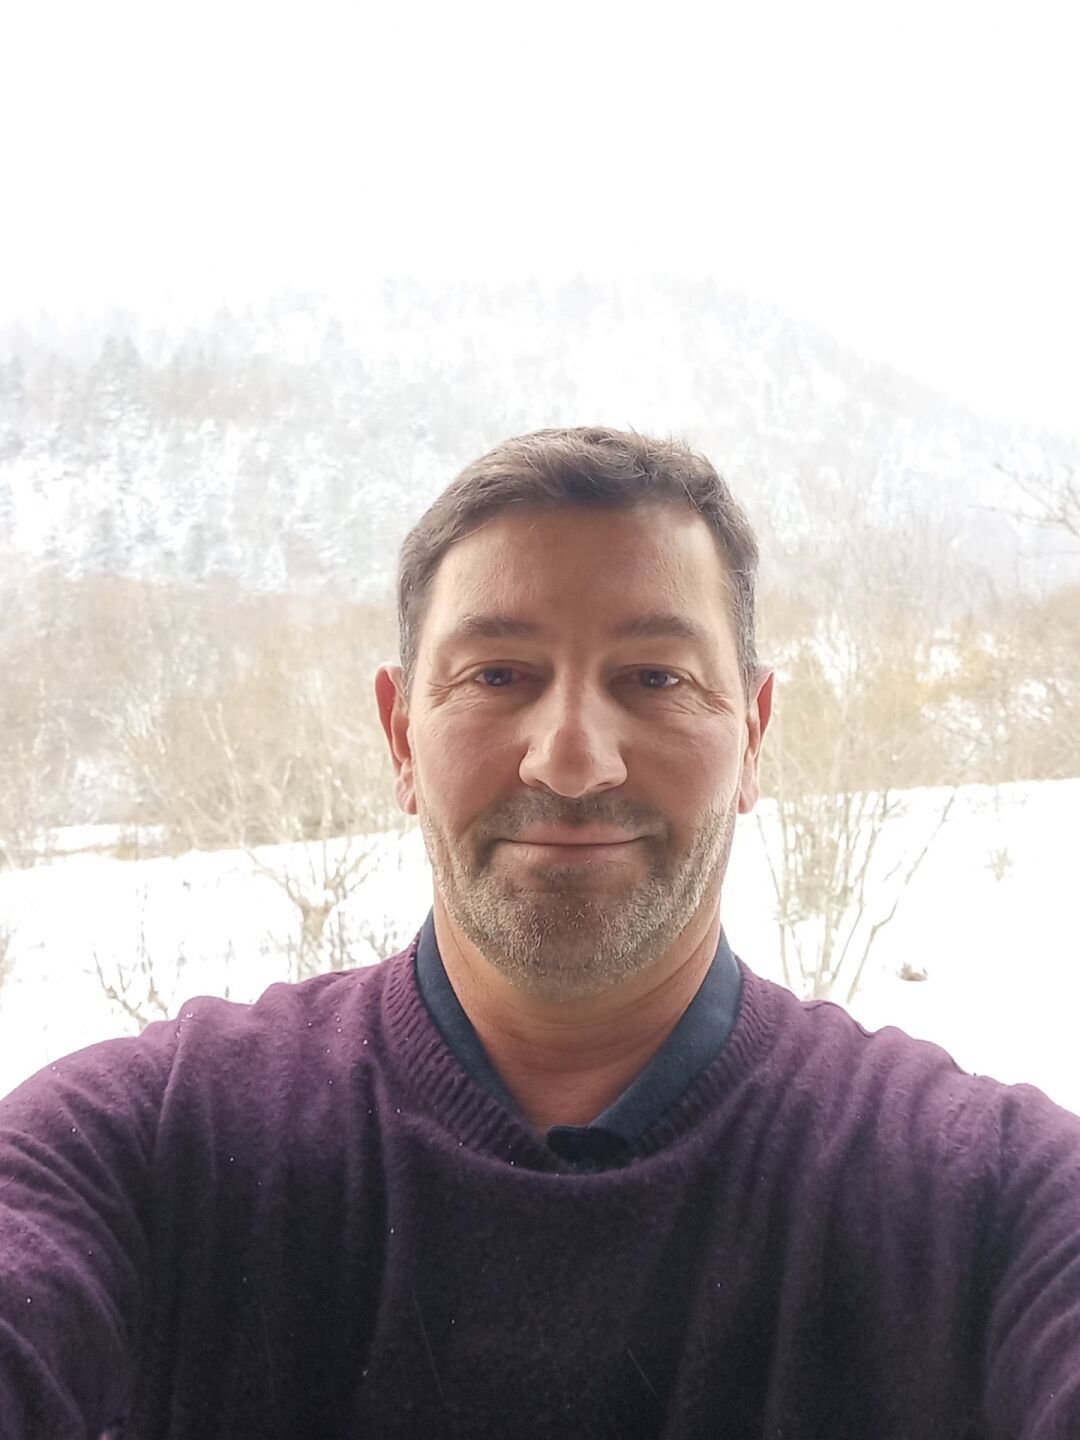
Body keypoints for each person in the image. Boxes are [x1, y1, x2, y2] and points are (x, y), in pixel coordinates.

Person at [1, 426, 1078, 1439]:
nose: (571, 761)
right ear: (400, 736)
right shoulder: (151, 1144)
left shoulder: (989, 1199)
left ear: (752, 735)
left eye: (654, 678)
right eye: (497, 677)